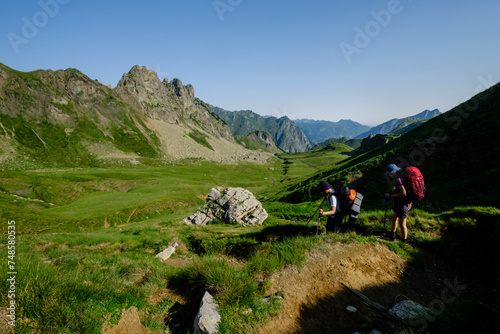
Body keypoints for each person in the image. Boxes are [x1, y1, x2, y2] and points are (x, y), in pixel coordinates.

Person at [384, 164, 411, 243]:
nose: (389, 175)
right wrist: (396, 188)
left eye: (389, 173)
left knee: (402, 223)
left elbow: (404, 193)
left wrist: (391, 195)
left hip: (404, 204)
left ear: (393, 173)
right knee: (393, 217)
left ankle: (404, 241)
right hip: (401, 203)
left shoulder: (399, 179)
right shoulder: (402, 177)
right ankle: (392, 234)